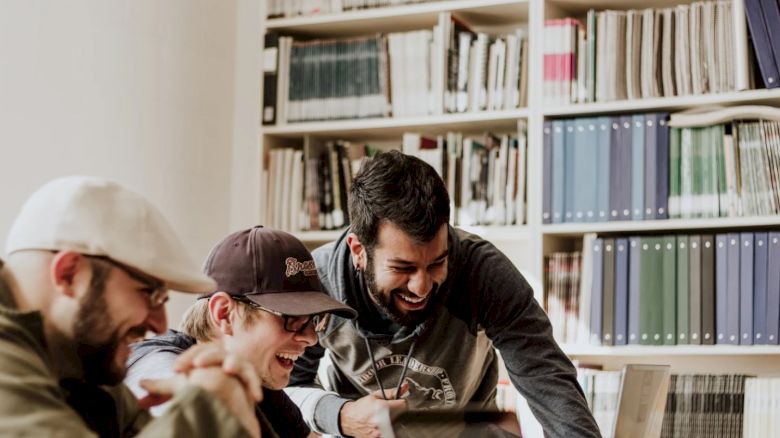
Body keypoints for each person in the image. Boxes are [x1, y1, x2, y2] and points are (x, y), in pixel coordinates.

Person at [286, 151, 601, 437]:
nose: (421, 286)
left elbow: (546, 376)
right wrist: (341, 416)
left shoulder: (482, 272)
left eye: (437, 262)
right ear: (359, 251)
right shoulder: (318, 282)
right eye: (403, 267)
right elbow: (285, 389)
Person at [0, 176, 262, 437]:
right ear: (70, 275)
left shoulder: (84, 361)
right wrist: (210, 405)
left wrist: (236, 402)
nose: (160, 325)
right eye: (149, 293)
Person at [126, 226, 358, 437]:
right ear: (224, 314)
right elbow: (168, 387)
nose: (311, 337)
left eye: (314, 320)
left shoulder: (257, 377)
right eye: (292, 318)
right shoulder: (156, 360)